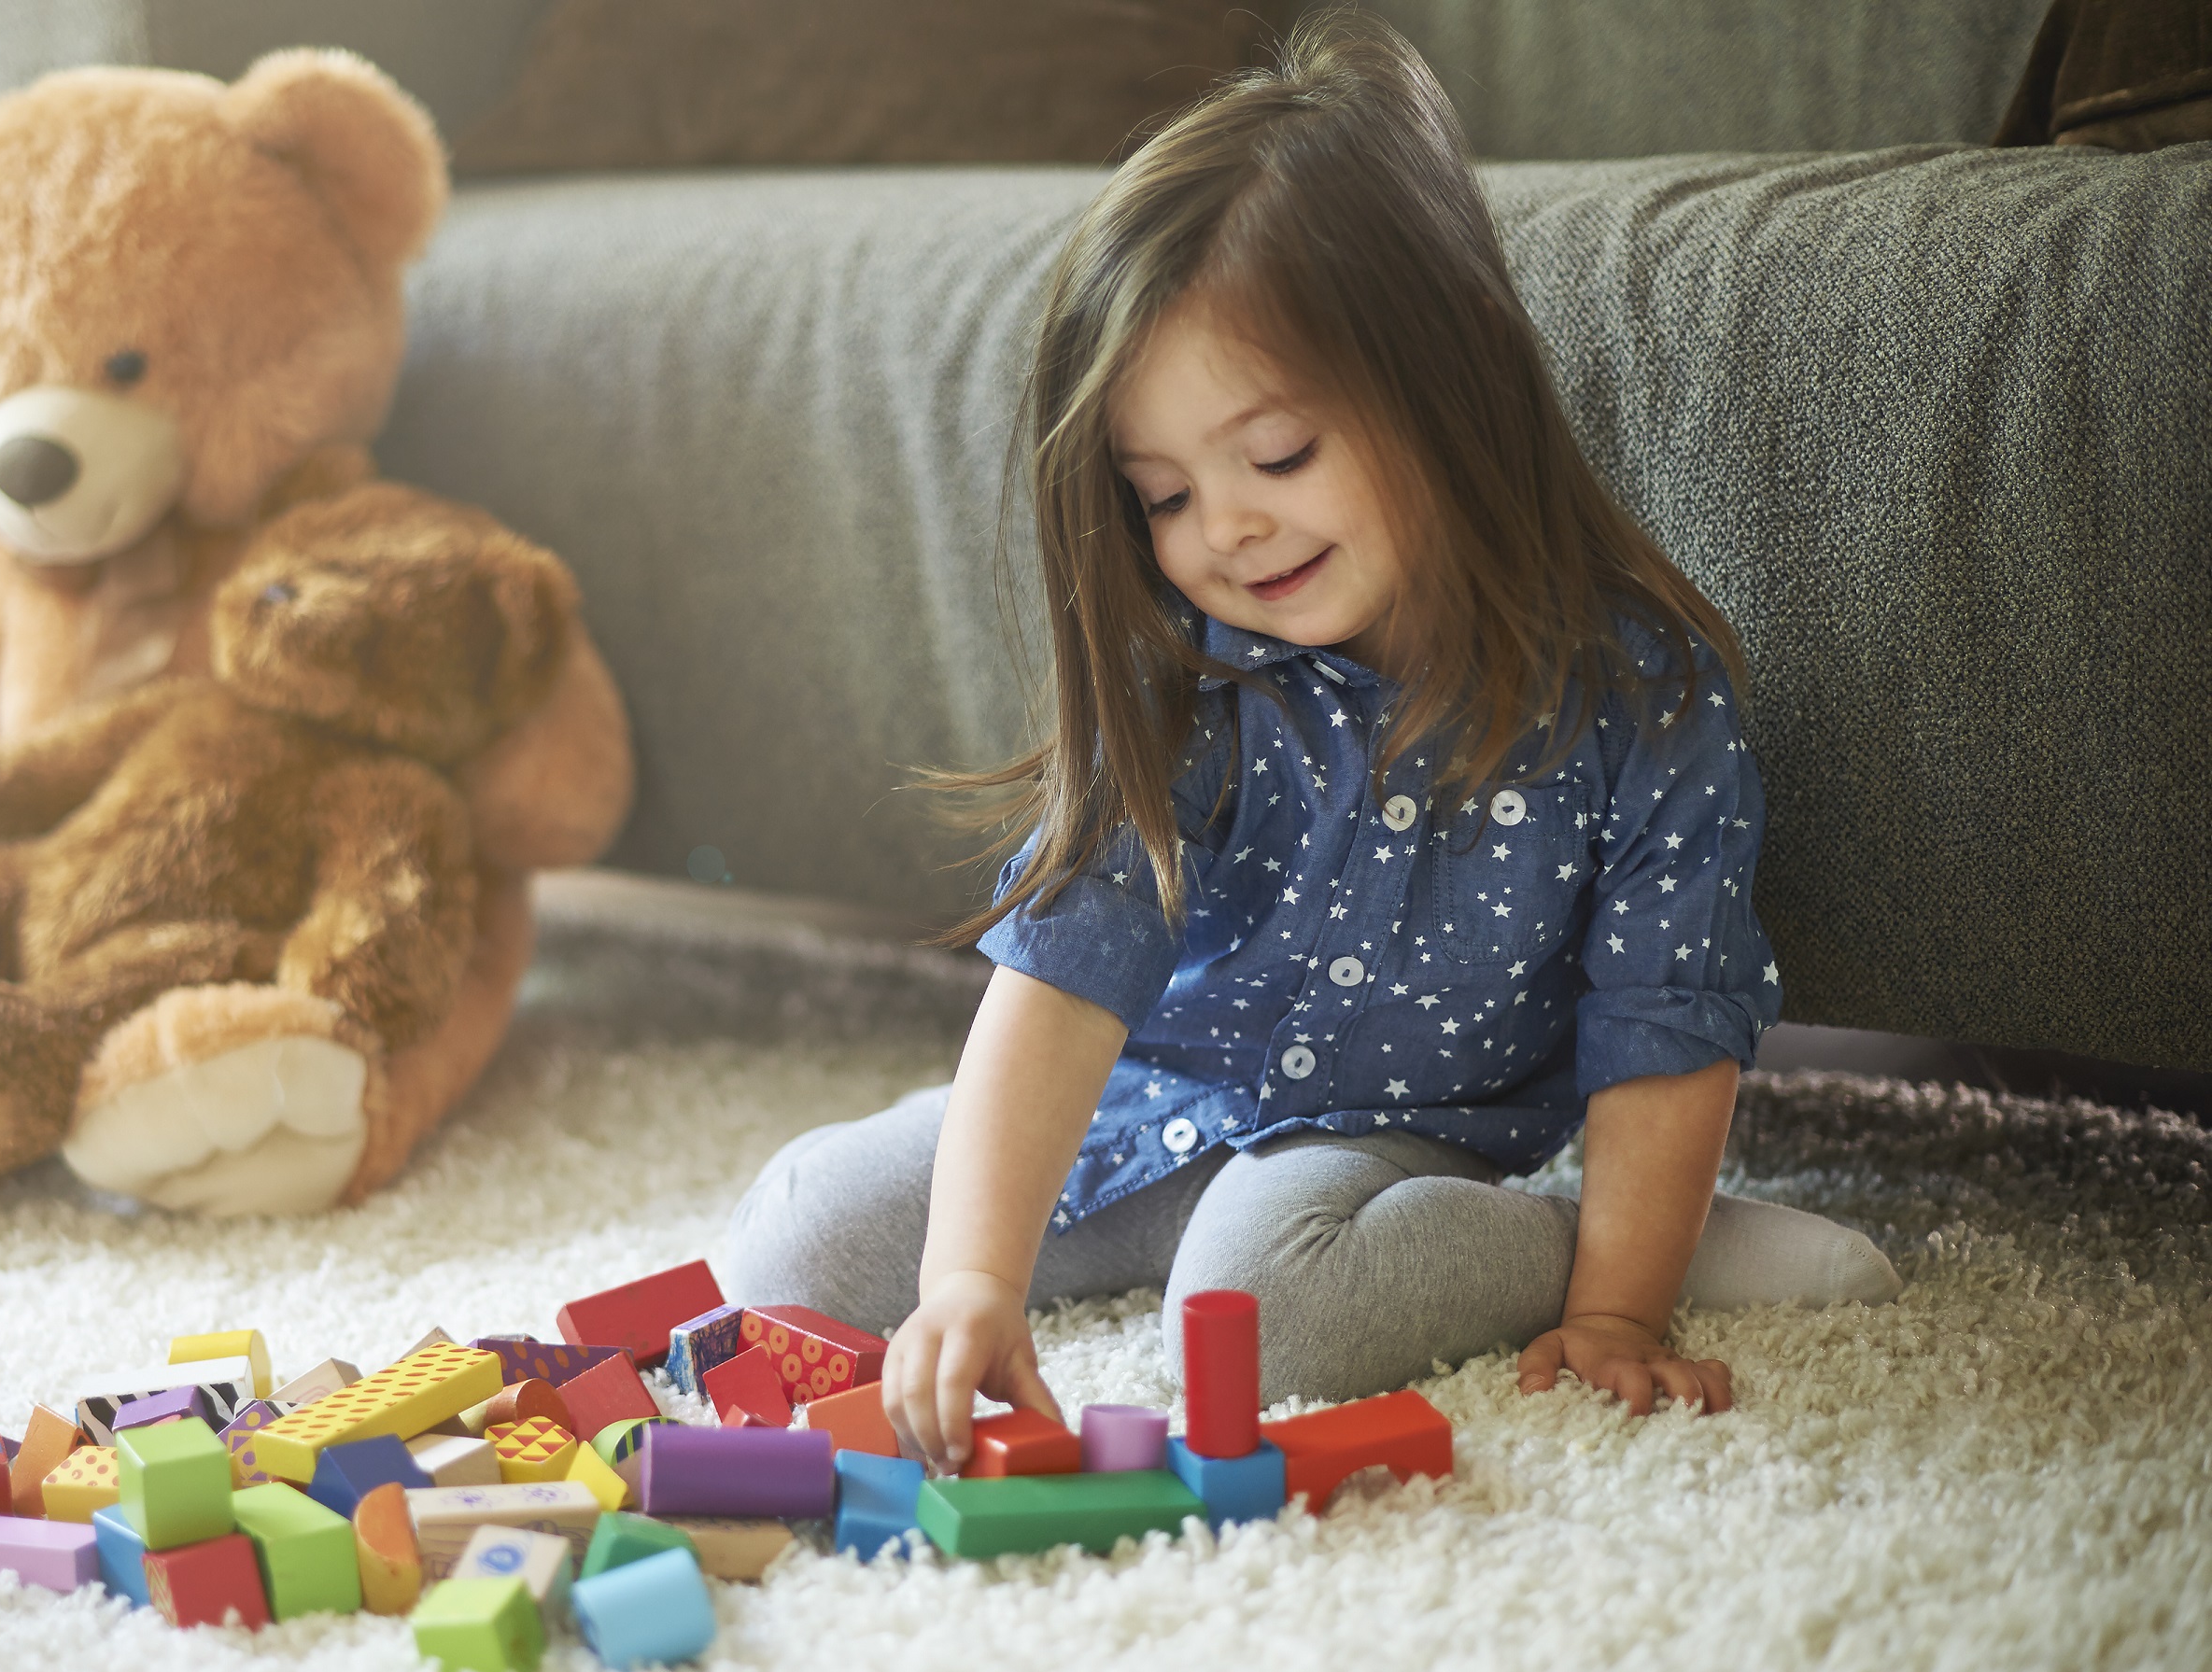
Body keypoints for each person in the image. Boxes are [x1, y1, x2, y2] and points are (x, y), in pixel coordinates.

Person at [719, 10, 1898, 1474]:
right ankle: (1095, 1218)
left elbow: (1665, 1024)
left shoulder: (1643, 699)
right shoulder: (1196, 678)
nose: (1226, 529)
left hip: (1392, 1146)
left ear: (1447, 385)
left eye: (1276, 457)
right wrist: (972, 1276)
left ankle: (1613, 1241)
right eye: (1161, 493)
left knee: (1263, 1312)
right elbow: (1062, 990)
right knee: (791, 1244)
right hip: (1158, 1103)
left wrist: (1616, 1298)